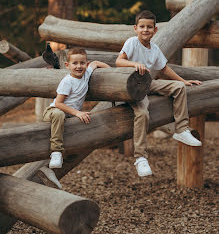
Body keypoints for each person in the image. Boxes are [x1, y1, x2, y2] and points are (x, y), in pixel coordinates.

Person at [116, 10, 202, 177]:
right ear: (135, 28)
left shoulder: (154, 48)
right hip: (131, 88)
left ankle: (182, 130)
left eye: (149, 27)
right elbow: (119, 61)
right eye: (142, 27)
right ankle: (140, 158)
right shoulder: (132, 42)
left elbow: (164, 68)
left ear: (155, 30)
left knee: (178, 88)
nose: (145, 30)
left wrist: (182, 80)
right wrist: (134, 64)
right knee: (142, 113)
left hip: (148, 83)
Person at [43, 47, 110, 170]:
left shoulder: (87, 73)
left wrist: (112, 71)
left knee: (87, 121)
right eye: (75, 63)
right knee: (59, 114)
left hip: (69, 114)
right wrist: (77, 113)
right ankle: (56, 152)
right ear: (67, 65)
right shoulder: (68, 81)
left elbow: (96, 63)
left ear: (86, 64)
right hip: (53, 111)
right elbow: (58, 103)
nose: (79, 66)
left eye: (82, 63)